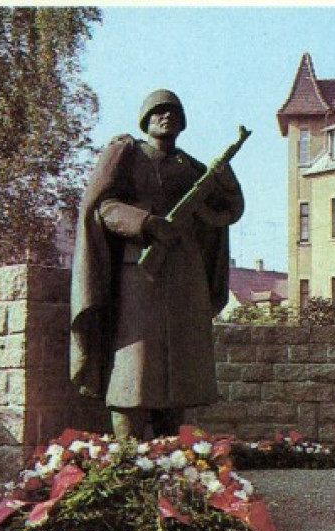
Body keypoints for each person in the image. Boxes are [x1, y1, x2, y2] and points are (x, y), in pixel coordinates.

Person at [70, 89, 244, 442]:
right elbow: (102, 207)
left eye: (173, 112)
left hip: (183, 275)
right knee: (134, 362)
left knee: (178, 368)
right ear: (145, 119)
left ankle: (171, 455)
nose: (166, 117)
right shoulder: (127, 155)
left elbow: (228, 211)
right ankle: (126, 454)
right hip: (139, 272)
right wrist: (147, 223)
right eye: (158, 111)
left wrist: (225, 177)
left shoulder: (193, 168)